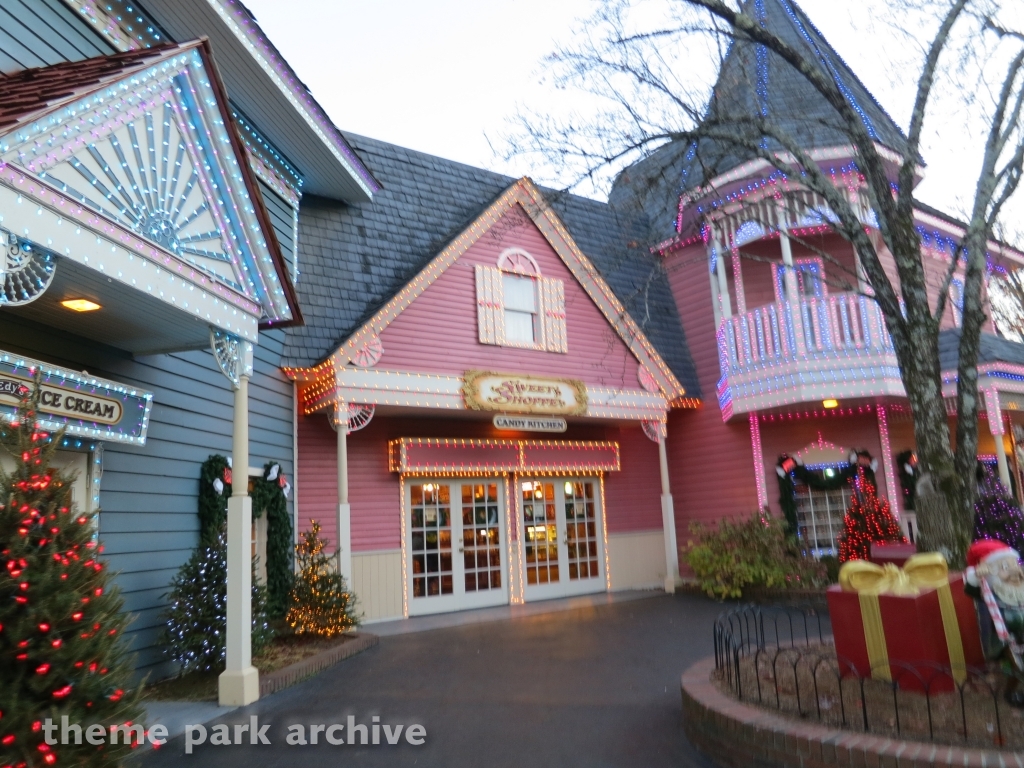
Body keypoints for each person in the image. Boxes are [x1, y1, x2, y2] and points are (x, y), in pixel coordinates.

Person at [964, 540, 1024, 705]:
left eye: (1014, 565)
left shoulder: (1020, 589)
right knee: (1019, 666)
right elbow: (971, 590)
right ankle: (1010, 694)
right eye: (1005, 567)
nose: (1014, 571)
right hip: (1005, 636)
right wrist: (977, 577)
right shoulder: (991, 591)